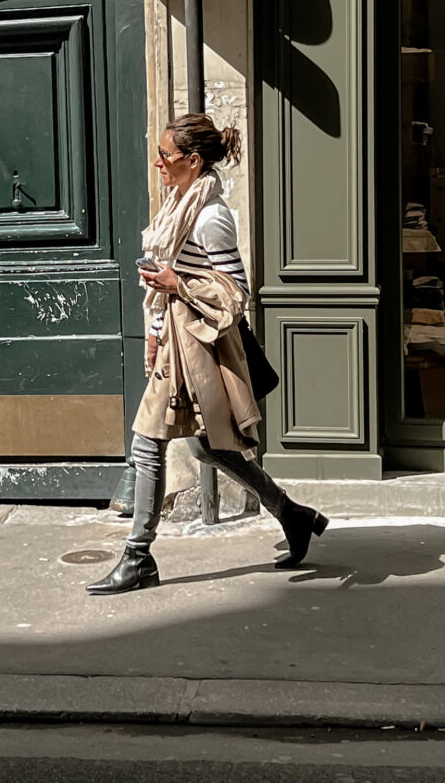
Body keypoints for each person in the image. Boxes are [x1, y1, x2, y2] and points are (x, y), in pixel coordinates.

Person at [87, 113, 328, 596]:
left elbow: (236, 291)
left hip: (197, 346)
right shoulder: (178, 203)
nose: (158, 163)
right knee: (206, 447)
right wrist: (155, 330)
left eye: (166, 155)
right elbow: (165, 281)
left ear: (193, 160)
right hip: (174, 341)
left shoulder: (210, 216)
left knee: (146, 443)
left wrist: (177, 284)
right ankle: (291, 513)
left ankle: (138, 556)